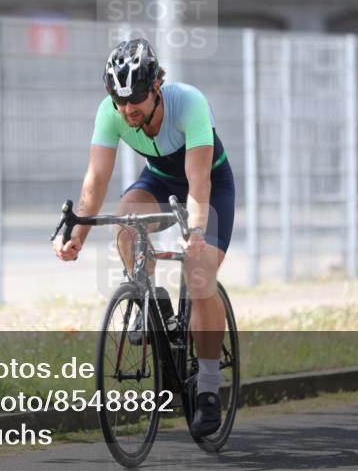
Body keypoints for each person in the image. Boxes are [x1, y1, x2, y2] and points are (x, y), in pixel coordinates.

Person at [52, 38, 235, 438]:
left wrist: (198, 232)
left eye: (135, 97)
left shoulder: (189, 103)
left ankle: (207, 387)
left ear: (156, 87)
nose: (127, 108)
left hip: (208, 184)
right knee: (125, 221)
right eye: (119, 100)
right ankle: (150, 298)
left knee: (199, 273)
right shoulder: (111, 113)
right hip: (161, 180)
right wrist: (77, 233)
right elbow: (96, 181)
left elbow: (199, 183)